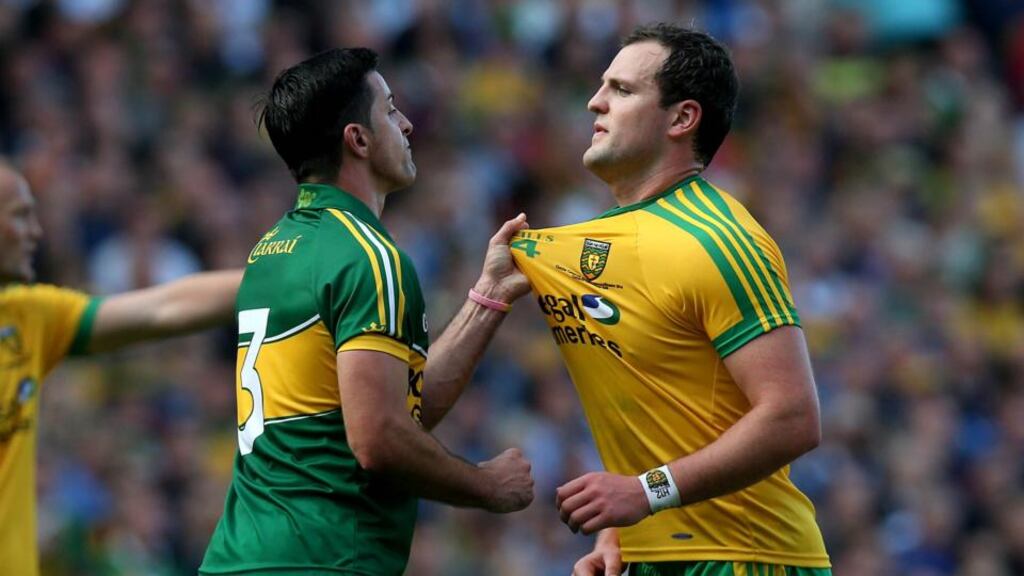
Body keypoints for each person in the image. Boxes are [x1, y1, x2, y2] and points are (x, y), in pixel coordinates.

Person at [510, 24, 831, 576]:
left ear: (682, 119)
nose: (595, 100)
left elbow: (793, 416)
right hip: (657, 553)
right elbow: (664, 407)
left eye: (623, 89)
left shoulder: (719, 238)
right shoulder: (611, 237)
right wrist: (621, 532)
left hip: (746, 557)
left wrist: (645, 492)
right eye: (602, 85)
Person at [199, 48, 534, 575]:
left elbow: (394, 404)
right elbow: (377, 436)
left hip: (241, 558)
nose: (406, 124)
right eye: (391, 110)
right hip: (323, 559)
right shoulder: (369, 256)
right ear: (357, 139)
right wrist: (486, 486)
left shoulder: (273, 249)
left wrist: (487, 299)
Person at [0, 160, 242, 576]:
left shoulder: (28, 317)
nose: (35, 233)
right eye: (20, 216)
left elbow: (161, 310)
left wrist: (287, 274)